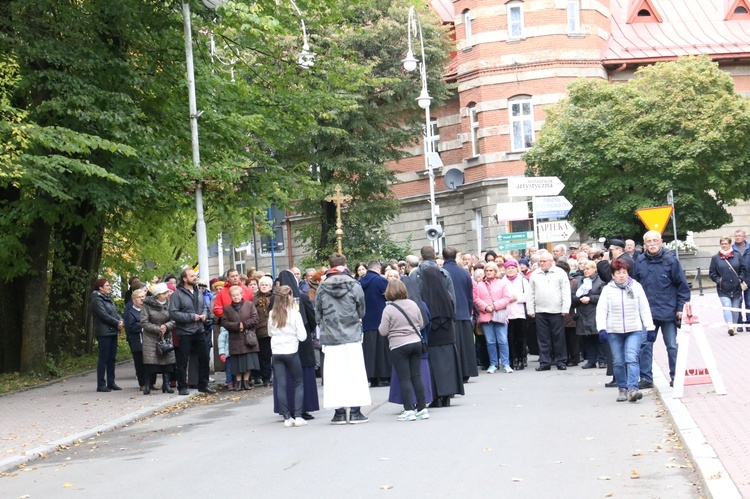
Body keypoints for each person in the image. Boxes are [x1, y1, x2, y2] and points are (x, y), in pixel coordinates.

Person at [314, 254, 370, 424]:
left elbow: (318, 313)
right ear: (345, 265)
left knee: (334, 376)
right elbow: (362, 310)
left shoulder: (322, 288)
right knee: (355, 373)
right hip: (351, 334)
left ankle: (338, 413)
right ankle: (355, 411)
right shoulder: (355, 285)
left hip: (331, 335)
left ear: (329, 266)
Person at [633, 230, 691, 389]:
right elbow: (634, 287)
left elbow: (682, 287)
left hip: (669, 311)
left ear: (661, 242)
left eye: (655, 241)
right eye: (648, 241)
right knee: (645, 345)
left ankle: (676, 377)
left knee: (672, 345)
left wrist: (681, 307)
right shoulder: (640, 262)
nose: (652, 244)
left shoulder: (671, 260)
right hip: (647, 313)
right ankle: (646, 378)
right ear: (644, 244)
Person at [412, 246, 464, 407]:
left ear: (421, 257)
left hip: (428, 321)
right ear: (434, 256)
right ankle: (448, 394)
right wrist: (451, 317)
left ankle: (435, 395)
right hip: (446, 320)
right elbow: (452, 297)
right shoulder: (444, 273)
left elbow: (414, 299)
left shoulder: (416, 274)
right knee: (447, 357)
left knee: (432, 360)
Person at [596, 260, 655, 403]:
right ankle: (622, 388)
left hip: (633, 329)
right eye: (618, 273)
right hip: (614, 331)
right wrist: (602, 328)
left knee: (632, 358)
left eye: (624, 272)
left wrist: (650, 327)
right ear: (613, 275)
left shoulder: (636, 287)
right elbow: (602, 310)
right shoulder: (607, 289)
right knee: (618, 361)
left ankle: (633, 389)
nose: (622, 276)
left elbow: (644, 308)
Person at [378, 279, 429, 421]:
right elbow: (421, 323)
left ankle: (408, 410)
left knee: (404, 378)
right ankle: (422, 408)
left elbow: (383, 331)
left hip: (398, 345)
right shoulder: (413, 304)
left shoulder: (389, 309)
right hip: (416, 342)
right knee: (416, 376)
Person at [273, 270, 320, 420]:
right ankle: (303, 409)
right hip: (302, 343)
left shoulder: (274, 300)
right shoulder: (303, 297)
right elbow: (312, 320)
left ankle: (285, 410)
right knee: (301, 378)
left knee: (283, 379)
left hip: (281, 345)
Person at [169, 268, 215, 395]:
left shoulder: (198, 292)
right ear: (184, 279)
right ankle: (182, 387)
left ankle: (203, 384)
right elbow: (173, 313)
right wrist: (191, 317)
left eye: (195, 275)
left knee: (204, 357)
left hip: (199, 330)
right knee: (183, 361)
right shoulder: (177, 294)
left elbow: (204, 307)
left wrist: (204, 315)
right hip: (185, 332)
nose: (195, 278)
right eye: (192, 276)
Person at [268, 285, 308, 427]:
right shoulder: (295, 314)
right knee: (298, 383)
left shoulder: (272, 313)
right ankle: (298, 416)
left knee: (281, 385)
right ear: (289, 297)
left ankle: (286, 417)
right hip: (291, 351)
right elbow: (303, 337)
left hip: (277, 352)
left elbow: (270, 333)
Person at [527, 251, 571, 371]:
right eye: (540, 261)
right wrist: (530, 309)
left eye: (544, 261)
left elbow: (565, 291)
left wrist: (565, 308)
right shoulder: (535, 274)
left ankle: (561, 361)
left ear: (551, 261)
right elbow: (530, 293)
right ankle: (544, 362)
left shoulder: (560, 273)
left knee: (559, 338)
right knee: (543, 338)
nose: (541, 263)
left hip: (556, 310)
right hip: (540, 310)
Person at [442, 247, 479, 381]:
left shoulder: (442, 272)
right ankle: (467, 371)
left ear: (443, 257)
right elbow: (470, 295)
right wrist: (469, 310)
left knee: (455, 346)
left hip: (450, 313)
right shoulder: (464, 272)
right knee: (466, 346)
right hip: (464, 311)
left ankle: (456, 373)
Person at [473, 261, 513, 374]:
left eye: (491, 270)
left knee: (502, 340)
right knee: (490, 342)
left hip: (499, 315)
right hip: (486, 316)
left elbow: (506, 298)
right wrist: (486, 307)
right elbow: (476, 299)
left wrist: (494, 306)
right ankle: (493, 364)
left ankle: (506, 363)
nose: (489, 272)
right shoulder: (479, 285)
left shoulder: (502, 283)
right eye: (487, 270)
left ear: (495, 271)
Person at [140, 283, 177, 394]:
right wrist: (157, 328)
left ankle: (166, 384)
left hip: (166, 336)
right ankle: (148, 384)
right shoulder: (146, 305)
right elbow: (144, 321)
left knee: (167, 361)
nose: (168, 294)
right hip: (151, 337)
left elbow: (174, 319)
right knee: (150, 362)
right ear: (158, 295)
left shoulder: (170, 304)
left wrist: (166, 326)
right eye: (165, 293)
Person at [359, 260, 391, 387]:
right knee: (382, 350)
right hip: (381, 319)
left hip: (367, 320)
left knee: (370, 351)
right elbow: (389, 296)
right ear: (378, 269)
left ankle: (372, 377)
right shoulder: (380, 281)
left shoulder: (360, 282)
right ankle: (384, 376)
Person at [222, 285, 260, 390]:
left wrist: (244, 324)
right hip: (235, 337)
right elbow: (224, 322)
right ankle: (238, 383)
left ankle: (246, 382)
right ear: (231, 296)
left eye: (237, 294)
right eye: (233, 295)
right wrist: (237, 326)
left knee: (248, 361)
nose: (236, 297)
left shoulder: (249, 305)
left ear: (241, 294)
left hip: (247, 336)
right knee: (236, 362)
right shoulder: (227, 308)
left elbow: (255, 318)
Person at [91, 278, 124, 392]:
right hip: (104, 332)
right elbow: (103, 315)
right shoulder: (96, 299)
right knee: (103, 358)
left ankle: (111, 382)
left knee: (112, 358)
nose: (109, 287)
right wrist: (116, 323)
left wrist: (120, 320)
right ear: (100, 288)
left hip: (112, 331)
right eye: (107, 286)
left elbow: (114, 312)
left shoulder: (108, 298)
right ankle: (101, 384)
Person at [708, 236, 746, 336]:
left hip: (736, 287)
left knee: (735, 308)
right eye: (722, 244)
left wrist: (740, 278)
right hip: (723, 288)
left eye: (726, 243)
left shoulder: (737, 255)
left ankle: (734, 326)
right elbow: (712, 272)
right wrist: (718, 280)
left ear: (730, 244)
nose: (724, 245)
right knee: (727, 307)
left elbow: (743, 269)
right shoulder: (716, 258)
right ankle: (730, 326)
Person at [572, 260, 606, 369]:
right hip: (582, 313)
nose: (585, 271)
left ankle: (602, 360)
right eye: (584, 269)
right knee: (587, 338)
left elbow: (603, 296)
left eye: (588, 269)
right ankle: (591, 360)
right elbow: (573, 296)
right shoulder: (580, 281)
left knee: (598, 337)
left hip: (595, 311)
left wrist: (590, 298)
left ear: (594, 269)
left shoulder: (600, 280)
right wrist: (579, 298)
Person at [124, 288, 154, 391]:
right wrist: (144, 325)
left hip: (149, 340)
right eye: (139, 297)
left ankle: (151, 382)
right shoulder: (130, 312)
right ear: (133, 299)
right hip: (137, 341)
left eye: (143, 297)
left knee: (151, 361)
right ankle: (143, 384)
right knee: (140, 363)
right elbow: (130, 326)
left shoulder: (147, 310)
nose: (142, 299)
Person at [502, 260, 529, 371]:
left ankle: (521, 358)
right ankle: (513, 359)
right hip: (507, 314)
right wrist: (508, 299)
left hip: (520, 313)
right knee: (510, 338)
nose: (511, 270)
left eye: (513, 268)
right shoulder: (502, 281)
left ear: (517, 268)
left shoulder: (523, 280)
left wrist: (517, 297)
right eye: (508, 268)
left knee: (520, 338)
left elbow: (528, 295)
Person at [252, 276, 274, 386]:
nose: (264, 287)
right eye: (262, 285)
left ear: (270, 287)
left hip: (274, 330)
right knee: (264, 356)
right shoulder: (254, 299)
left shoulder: (274, 298)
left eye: (266, 285)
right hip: (261, 331)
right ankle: (266, 378)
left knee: (275, 355)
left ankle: (275, 376)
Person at [733, 230, 749, 332]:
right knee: (737, 303)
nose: (737, 237)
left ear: (744, 237)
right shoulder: (731, 249)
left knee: (749, 302)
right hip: (736, 281)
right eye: (736, 236)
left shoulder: (749, 248)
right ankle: (738, 324)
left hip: (749, 280)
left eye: (739, 236)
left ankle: (748, 324)